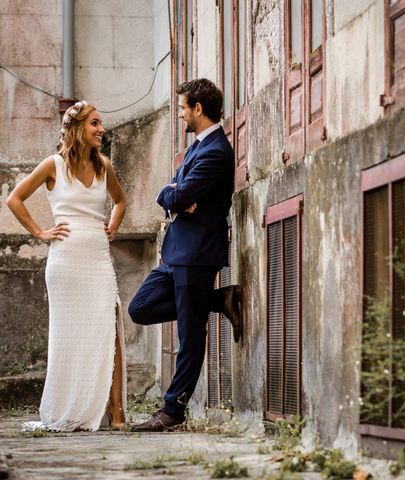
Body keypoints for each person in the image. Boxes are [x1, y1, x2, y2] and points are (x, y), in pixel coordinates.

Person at [128, 78, 242, 432]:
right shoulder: (198, 147)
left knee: (189, 339)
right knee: (140, 308)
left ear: (198, 108)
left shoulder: (216, 151)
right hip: (176, 252)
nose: (179, 114)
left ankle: (173, 412)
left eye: (182, 108)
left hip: (196, 254)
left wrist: (174, 194)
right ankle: (218, 299)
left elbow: (176, 196)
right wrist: (172, 192)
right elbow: (170, 191)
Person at [7, 100, 127, 431]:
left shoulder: (104, 166)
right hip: (65, 262)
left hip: (98, 258)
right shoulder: (53, 165)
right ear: (76, 128)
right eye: (95, 123)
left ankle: (116, 412)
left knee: (110, 328)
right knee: (71, 336)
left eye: (101, 123)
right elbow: (14, 199)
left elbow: (120, 201)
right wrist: (40, 232)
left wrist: (112, 227)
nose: (101, 129)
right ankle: (73, 406)